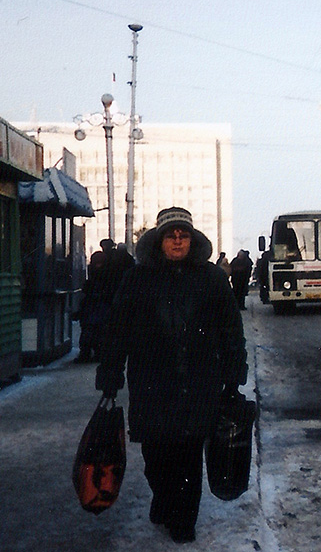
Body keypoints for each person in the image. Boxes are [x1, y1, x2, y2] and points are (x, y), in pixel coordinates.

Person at [96, 207, 247, 544]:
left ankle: (184, 521)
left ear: (192, 240)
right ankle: (164, 499)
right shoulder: (137, 279)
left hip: (198, 382)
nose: (178, 240)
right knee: (156, 457)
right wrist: (109, 374)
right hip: (152, 383)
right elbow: (116, 331)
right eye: (171, 235)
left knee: (189, 456)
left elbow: (231, 330)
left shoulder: (211, 278)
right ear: (159, 241)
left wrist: (235, 372)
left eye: (184, 235)